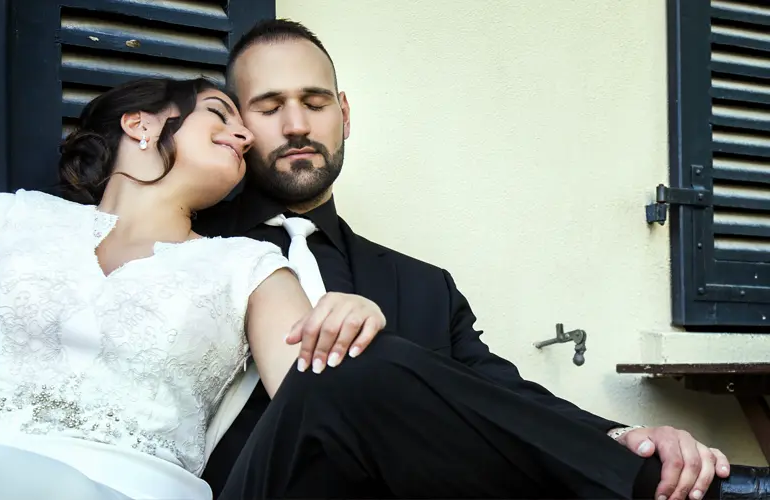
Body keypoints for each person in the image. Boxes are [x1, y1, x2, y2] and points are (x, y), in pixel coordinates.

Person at [194, 19, 770, 500]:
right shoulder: (186, 250)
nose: (297, 125)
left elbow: (509, 406)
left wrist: (632, 438)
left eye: (314, 103)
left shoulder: (424, 287)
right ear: (237, 127)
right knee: (343, 363)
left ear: (344, 113)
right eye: (270, 107)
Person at [0, 77, 389, 500]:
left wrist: (348, 322)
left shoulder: (249, 266)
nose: (244, 136)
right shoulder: (19, 216)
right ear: (141, 125)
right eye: (218, 113)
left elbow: (319, 405)